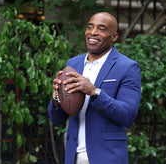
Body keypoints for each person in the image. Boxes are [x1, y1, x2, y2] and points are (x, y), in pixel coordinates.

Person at [48, 12, 142, 164]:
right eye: (90, 27)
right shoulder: (73, 64)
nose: (93, 32)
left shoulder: (127, 67)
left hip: (107, 157)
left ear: (114, 36)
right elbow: (57, 119)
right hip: (74, 157)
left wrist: (94, 91)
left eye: (102, 29)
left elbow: (128, 115)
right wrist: (57, 99)